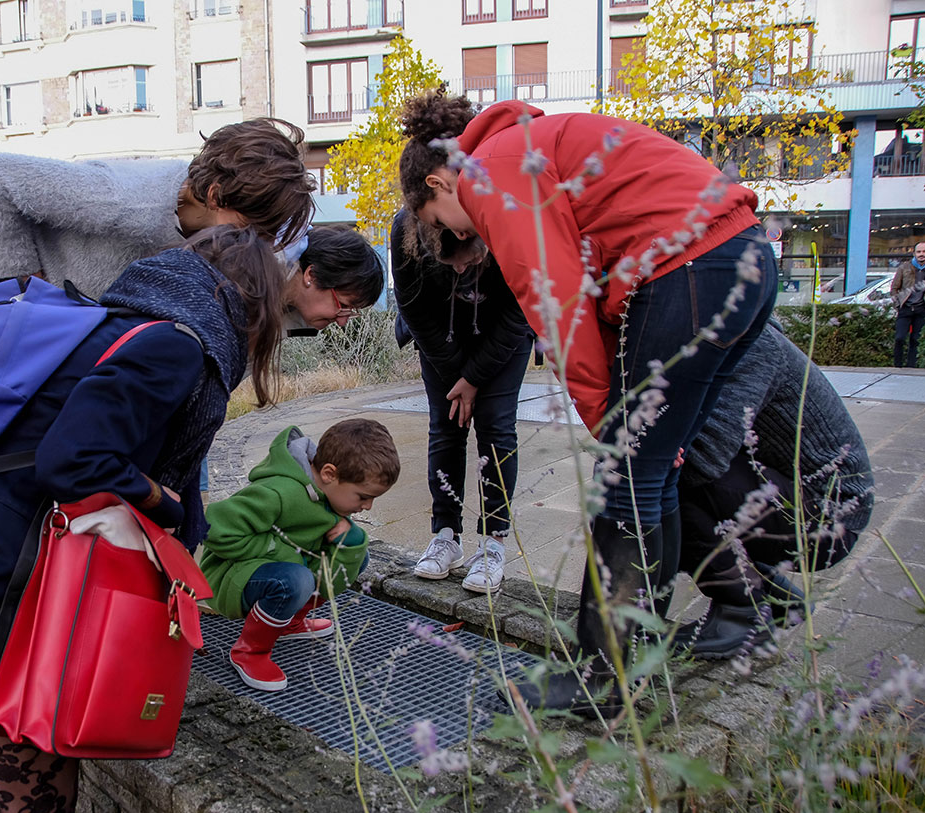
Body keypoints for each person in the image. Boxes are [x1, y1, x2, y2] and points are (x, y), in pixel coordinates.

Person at [0, 226, 286, 813]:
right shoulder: (174, 345)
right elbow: (72, 458)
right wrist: (162, 499)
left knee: (26, 796)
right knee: (34, 805)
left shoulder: (117, 318)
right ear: (252, 304)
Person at [398, 90, 778, 715]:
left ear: (439, 182)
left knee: (626, 480)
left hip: (689, 269)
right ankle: (655, 646)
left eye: (438, 219)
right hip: (742, 256)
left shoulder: (489, 170)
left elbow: (556, 301)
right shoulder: (527, 145)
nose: (455, 233)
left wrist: (606, 421)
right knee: (656, 473)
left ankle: (603, 679)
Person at [0, 117, 315, 305]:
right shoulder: (124, 199)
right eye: (253, 227)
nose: (256, 242)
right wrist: (30, 283)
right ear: (216, 196)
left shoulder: (201, 221)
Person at [674, 322, 874, 658]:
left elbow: (704, 457)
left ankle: (742, 612)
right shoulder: (720, 335)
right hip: (799, 493)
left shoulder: (751, 344)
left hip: (827, 518)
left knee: (666, 477)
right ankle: (776, 597)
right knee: (658, 469)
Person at [390, 207, 535, 594]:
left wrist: (474, 378)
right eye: (447, 263)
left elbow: (520, 310)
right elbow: (414, 309)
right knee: (445, 425)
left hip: (504, 333)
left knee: (496, 426)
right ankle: (446, 535)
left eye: (468, 261)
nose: (458, 270)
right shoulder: (406, 229)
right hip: (440, 336)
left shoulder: (512, 223)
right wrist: (458, 377)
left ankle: (493, 543)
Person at [199, 419, 400, 691]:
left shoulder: (328, 493)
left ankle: (289, 623)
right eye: (363, 496)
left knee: (355, 555)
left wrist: (350, 540)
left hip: (278, 568)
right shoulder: (279, 492)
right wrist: (287, 553)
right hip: (229, 576)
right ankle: (249, 652)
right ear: (329, 474)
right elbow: (213, 526)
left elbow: (330, 565)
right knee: (297, 580)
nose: (368, 506)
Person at [891, 241, 925, 368]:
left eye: (924, 251)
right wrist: (897, 303)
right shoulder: (904, 267)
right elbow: (894, 288)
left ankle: (911, 367)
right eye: (918, 252)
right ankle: (897, 366)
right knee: (899, 338)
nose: (921, 254)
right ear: (914, 253)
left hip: (922, 308)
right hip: (905, 307)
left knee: (916, 339)